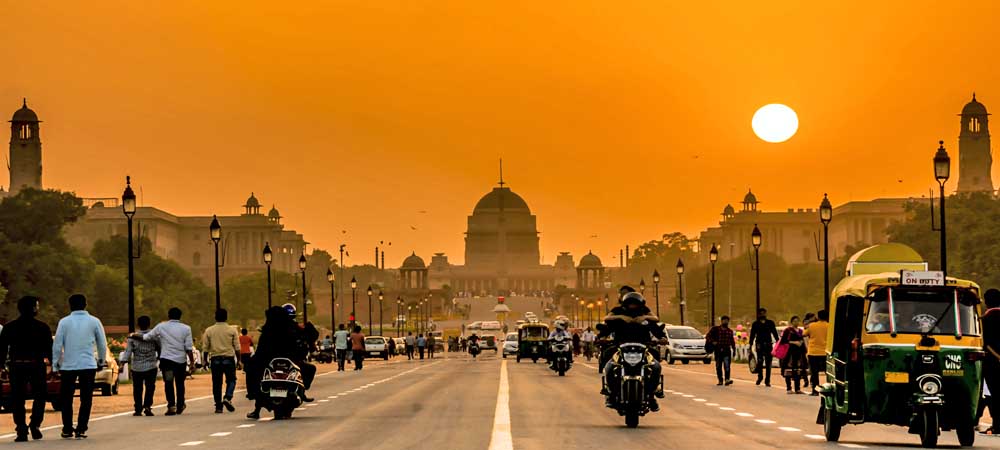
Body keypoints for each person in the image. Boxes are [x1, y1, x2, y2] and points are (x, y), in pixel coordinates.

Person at [598, 292, 666, 411]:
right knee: (609, 365)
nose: (633, 306)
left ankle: (651, 395)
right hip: (620, 346)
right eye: (630, 304)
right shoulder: (618, 313)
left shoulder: (645, 315)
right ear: (625, 304)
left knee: (656, 367)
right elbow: (607, 325)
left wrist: (662, 338)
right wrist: (602, 337)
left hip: (644, 347)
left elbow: (655, 327)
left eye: (635, 304)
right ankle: (611, 394)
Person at [52, 294, 107, 439]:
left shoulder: (64, 322)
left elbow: (57, 345)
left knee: (66, 398)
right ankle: (81, 428)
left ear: (70, 305)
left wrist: (55, 364)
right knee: (86, 398)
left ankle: (67, 428)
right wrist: (101, 361)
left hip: (68, 365)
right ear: (85, 304)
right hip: (88, 364)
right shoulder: (94, 321)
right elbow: (102, 343)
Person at [0, 296, 53, 441]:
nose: (38, 308)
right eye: (37, 306)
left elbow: (2, 349)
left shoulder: (10, 327)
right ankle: (35, 424)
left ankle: (21, 429)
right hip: (36, 365)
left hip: (17, 365)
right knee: (40, 396)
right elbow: (49, 349)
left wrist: (1, 366)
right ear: (33, 308)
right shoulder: (42, 327)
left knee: (17, 398)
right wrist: (53, 365)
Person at [246, 306, 304, 419]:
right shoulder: (291, 329)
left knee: (252, 370)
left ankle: (256, 405)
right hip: (288, 361)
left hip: (269, 361)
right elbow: (298, 346)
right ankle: (302, 393)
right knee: (307, 369)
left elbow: (261, 350)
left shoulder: (267, 331)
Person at [137, 307, 194, 416]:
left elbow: (147, 337)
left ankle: (171, 405)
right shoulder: (186, 328)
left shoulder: (161, 326)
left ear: (168, 315)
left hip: (167, 361)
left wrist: (133, 335)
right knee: (180, 383)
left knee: (168, 382)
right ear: (180, 316)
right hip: (180, 361)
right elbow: (189, 348)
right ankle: (180, 404)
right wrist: (191, 363)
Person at [201, 309, 240, 414]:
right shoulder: (232, 330)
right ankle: (228, 397)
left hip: (215, 359)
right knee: (231, 380)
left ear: (215, 317)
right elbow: (237, 347)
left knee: (217, 383)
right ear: (226, 317)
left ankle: (218, 406)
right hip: (228, 358)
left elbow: (205, 348)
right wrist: (239, 361)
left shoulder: (209, 330)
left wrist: (204, 360)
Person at [119, 315, 159, 417]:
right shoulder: (154, 336)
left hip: (137, 367)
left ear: (138, 324)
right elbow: (160, 348)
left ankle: (138, 409)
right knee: (150, 387)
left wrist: (122, 363)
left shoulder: (132, 337)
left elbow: (127, 352)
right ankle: (147, 406)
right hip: (151, 366)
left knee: (137, 388)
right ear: (149, 324)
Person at [981, 289, 1000, 433]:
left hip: (992, 362)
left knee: (993, 394)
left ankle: (998, 424)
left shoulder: (985, 319)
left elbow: (984, 341)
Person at [749, 308, 779, 387]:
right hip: (759, 345)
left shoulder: (770, 323)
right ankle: (760, 377)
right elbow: (752, 335)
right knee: (760, 362)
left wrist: (778, 342)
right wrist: (750, 344)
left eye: (764, 313)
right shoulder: (755, 324)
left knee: (768, 364)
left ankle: (767, 380)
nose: (762, 315)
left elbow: (775, 333)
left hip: (768, 345)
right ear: (758, 314)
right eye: (761, 313)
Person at [804, 310, 829, 396]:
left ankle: (815, 391)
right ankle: (829, 389)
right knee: (828, 372)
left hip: (813, 352)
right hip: (825, 352)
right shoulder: (829, 326)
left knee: (814, 373)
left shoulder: (812, 325)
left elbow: (804, 334)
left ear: (818, 317)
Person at [779, 315, 807, 394]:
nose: (796, 323)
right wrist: (794, 342)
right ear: (791, 322)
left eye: (797, 321)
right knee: (789, 371)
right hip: (790, 353)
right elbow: (783, 341)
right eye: (794, 321)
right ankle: (789, 388)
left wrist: (801, 343)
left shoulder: (801, 331)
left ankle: (797, 388)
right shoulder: (788, 330)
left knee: (798, 371)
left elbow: (802, 340)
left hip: (799, 354)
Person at [706, 315, 737, 386]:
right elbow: (708, 336)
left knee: (727, 366)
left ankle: (727, 379)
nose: (726, 322)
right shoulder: (715, 329)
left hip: (727, 350)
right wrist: (713, 341)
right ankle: (720, 380)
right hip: (718, 350)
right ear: (722, 321)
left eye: (727, 320)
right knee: (718, 366)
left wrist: (734, 349)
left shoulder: (730, 331)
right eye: (724, 320)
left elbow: (732, 341)